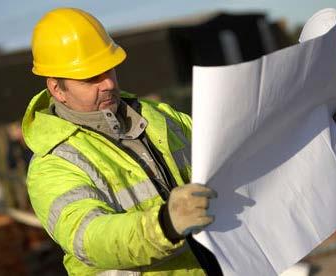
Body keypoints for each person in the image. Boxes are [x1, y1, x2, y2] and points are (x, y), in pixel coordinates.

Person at [23, 8, 218, 275]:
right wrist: (164, 224)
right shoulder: (53, 164)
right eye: (90, 78)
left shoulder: (160, 117)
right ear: (57, 89)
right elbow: (89, 237)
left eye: (109, 70)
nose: (107, 84)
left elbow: (221, 155)